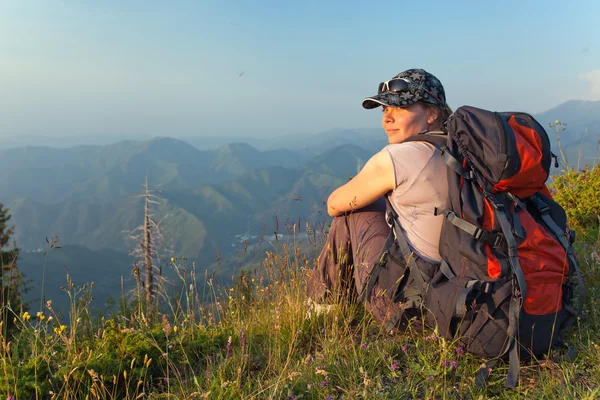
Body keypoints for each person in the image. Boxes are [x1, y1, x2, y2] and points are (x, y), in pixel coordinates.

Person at [306, 68, 452, 330]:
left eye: (400, 108)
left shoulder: (401, 157)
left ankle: (321, 313)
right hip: (458, 298)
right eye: (385, 110)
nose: (387, 119)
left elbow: (333, 204)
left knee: (352, 212)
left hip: (411, 314)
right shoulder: (460, 150)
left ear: (432, 113)